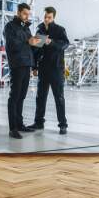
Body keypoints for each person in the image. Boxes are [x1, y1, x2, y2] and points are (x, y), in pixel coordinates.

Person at [27, 7, 70, 135]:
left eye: (49, 17)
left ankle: (63, 125)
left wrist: (51, 42)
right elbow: (36, 51)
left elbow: (65, 44)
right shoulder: (39, 30)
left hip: (56, 69)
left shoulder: (59, 30)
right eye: (45, 17)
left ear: (53, 17)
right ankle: (39, 122)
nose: (46, 19)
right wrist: (34, 67)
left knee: (59, 98)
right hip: (43, 69)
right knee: (40, 97)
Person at [3, 3, 41, 139]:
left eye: (28, 14)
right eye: (25, 14)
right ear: (18, 12)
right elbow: (11, 44)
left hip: (27, 65)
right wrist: (28, 41)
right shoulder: (10, 27)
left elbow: (30, 47)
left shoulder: (26, 28)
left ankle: (19, 125)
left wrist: (38, 44)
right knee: (14, 97)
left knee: (22, 97)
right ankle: (12, 128)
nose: (27, 16)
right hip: (17, 64)